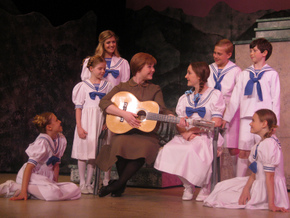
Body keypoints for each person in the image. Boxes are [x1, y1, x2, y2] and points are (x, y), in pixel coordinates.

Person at [96, 52, 179, 197]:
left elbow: (162, 109)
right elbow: (103, 102)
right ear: (139, 68)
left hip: (146, 134)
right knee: (119, 143)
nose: (153, 70)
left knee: (145, 147)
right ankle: (120, 185)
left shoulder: (155, 89)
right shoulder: (122, 87)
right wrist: (124, 114)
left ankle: (117, 185)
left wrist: (173, 117)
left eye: (153, 67)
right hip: (125, 131)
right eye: (150, 66)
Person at [154, 62, 225, 201]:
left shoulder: (215, 95)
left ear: (199, 77)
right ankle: (188, 185)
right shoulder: (185, 98)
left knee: (191, 150)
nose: (186, 76)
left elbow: (216, 122)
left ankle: (206, 185)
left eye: (189, 73)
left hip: (206, 136)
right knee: (169, 149)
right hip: (186, 136)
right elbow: (179, 122)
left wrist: (194, 129)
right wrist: (186, 133)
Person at [204, 109, 289, 212]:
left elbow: (270, 177)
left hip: (266, 189)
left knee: (220, 196)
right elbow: (255, 172)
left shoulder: (269, 144)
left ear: (264, 124)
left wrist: (271, 204)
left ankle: (262, 200)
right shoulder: (261, 143)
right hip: (258, 181)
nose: (250, 123)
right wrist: (246, 188)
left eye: (253, 120)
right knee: (220, 186)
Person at [223, 38, 280, 177]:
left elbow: (276, 100)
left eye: (254, 50)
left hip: (264, 121)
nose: (251, 53)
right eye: (251, 51)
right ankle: (239, 184)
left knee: (264, 153)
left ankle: (263, 184)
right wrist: (226, 119)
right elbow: (235, 98)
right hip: (246, 119)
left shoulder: (272, 74)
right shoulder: (244, 74)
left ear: (264, 52)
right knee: (243, 152)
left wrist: (273, 123)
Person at [81, 30, 130, 185]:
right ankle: (89, 180)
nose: (111, 45)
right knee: (90, 142)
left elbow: (124, 86)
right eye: (108, 42)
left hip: (112, 105)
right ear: (102, 43)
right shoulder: (91, 61)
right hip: (93, 105)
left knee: (108, 142)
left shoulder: (122, 63)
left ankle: (107, 178)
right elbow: (85, 82)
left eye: (113, 42)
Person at [0, 112, 81, 201]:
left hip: (46, 179)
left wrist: (55, 184)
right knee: (53, 193)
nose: (60, 121)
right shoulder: (42, 142)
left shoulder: (61, 140)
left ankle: (33, 193)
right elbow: (29, 167)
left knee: (75, 189)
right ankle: (14, 187)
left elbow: (56, 165)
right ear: (49, 127)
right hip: (32, 176)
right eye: (57, 120)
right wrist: (24, 192)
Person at [71, 55, 114, 194]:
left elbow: (110, 107)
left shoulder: (108, 86)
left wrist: (107, 122)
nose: (102, 71)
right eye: (100, 68)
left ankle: (89, 182)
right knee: (84, 152)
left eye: (104, 69)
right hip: (86, 122)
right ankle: (82, 183)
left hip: (100, 121)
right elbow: (78, 107)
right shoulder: (82, 86)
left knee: (94, 153)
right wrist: (79, 126)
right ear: (91, 68)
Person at [207, 39, 242, 177]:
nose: (216, 56)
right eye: (215, 53)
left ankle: (237, 179)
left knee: (232, 147)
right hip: (213, 109)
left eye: (219, 54)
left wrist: (226, 116)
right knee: (214, 146)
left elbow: (237, 96)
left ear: (229, 54)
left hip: (230, 111)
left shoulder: (236, 71)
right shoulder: (210, 68)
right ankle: (214, 180)